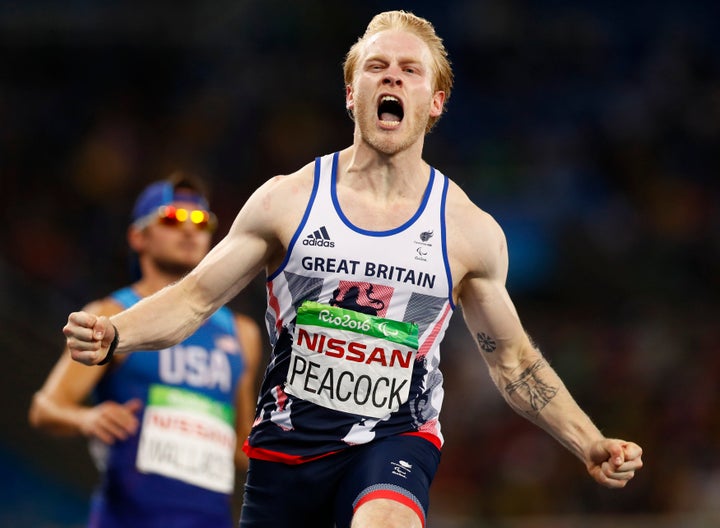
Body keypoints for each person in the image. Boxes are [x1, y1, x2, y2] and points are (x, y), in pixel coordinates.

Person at [63, 11, 643, 528]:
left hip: (392, 439)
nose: (392, 77)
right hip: (285, 450)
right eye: (377, 66)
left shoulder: (469, 231)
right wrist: (119, 333)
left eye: (410, 70)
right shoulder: (284, 201)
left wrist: (588, 440)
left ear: (435, 100)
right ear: (351, 92)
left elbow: (513, 362)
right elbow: (192, 300)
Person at [31, 173, 262, 528]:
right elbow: (44, 408)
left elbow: (242, 445)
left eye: (201, 221)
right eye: (172, 218)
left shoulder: (242, 333)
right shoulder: (110, 317)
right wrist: (87, 418)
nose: (189, 230)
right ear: (138, 236)